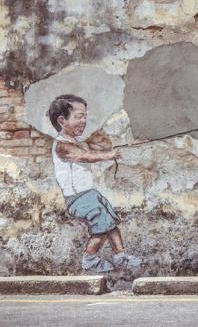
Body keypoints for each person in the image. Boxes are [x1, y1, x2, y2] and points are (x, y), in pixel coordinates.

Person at [48, 94, 142, 273]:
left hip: (89, 194)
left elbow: (93, 148)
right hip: (77, 199)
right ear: (62, 120)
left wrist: (117, 147)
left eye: (85, 116)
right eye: (78, 116)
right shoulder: (61, 146)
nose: (84, 121)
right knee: (101, 226)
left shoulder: (77, 142)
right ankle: (90, 258)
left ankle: (120, 256)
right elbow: (85, 156)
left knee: (111, 222)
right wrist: (108, 155)